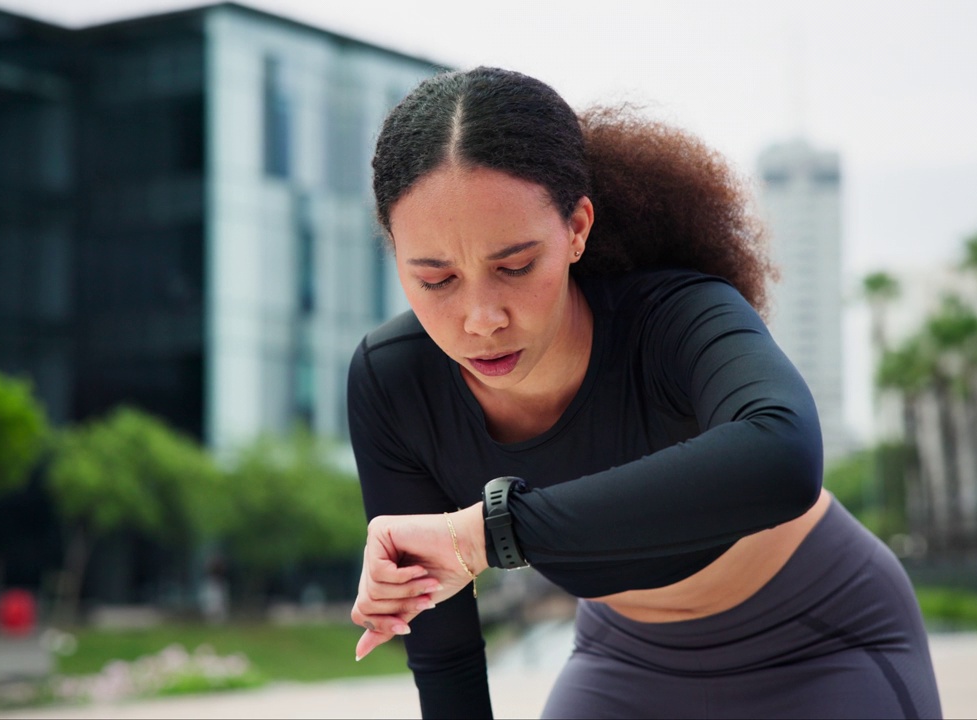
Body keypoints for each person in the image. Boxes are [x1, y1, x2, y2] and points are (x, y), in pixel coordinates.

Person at [348, 66, 942, 719]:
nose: (481, 317)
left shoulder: (675, 315)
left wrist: (489, 532)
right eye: (435, 279)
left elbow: (785, 453)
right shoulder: (392, 381)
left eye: (514, 266)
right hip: (625, 661)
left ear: (577, 228)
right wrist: (462, 550)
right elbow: (444, 655)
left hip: (822, 637)